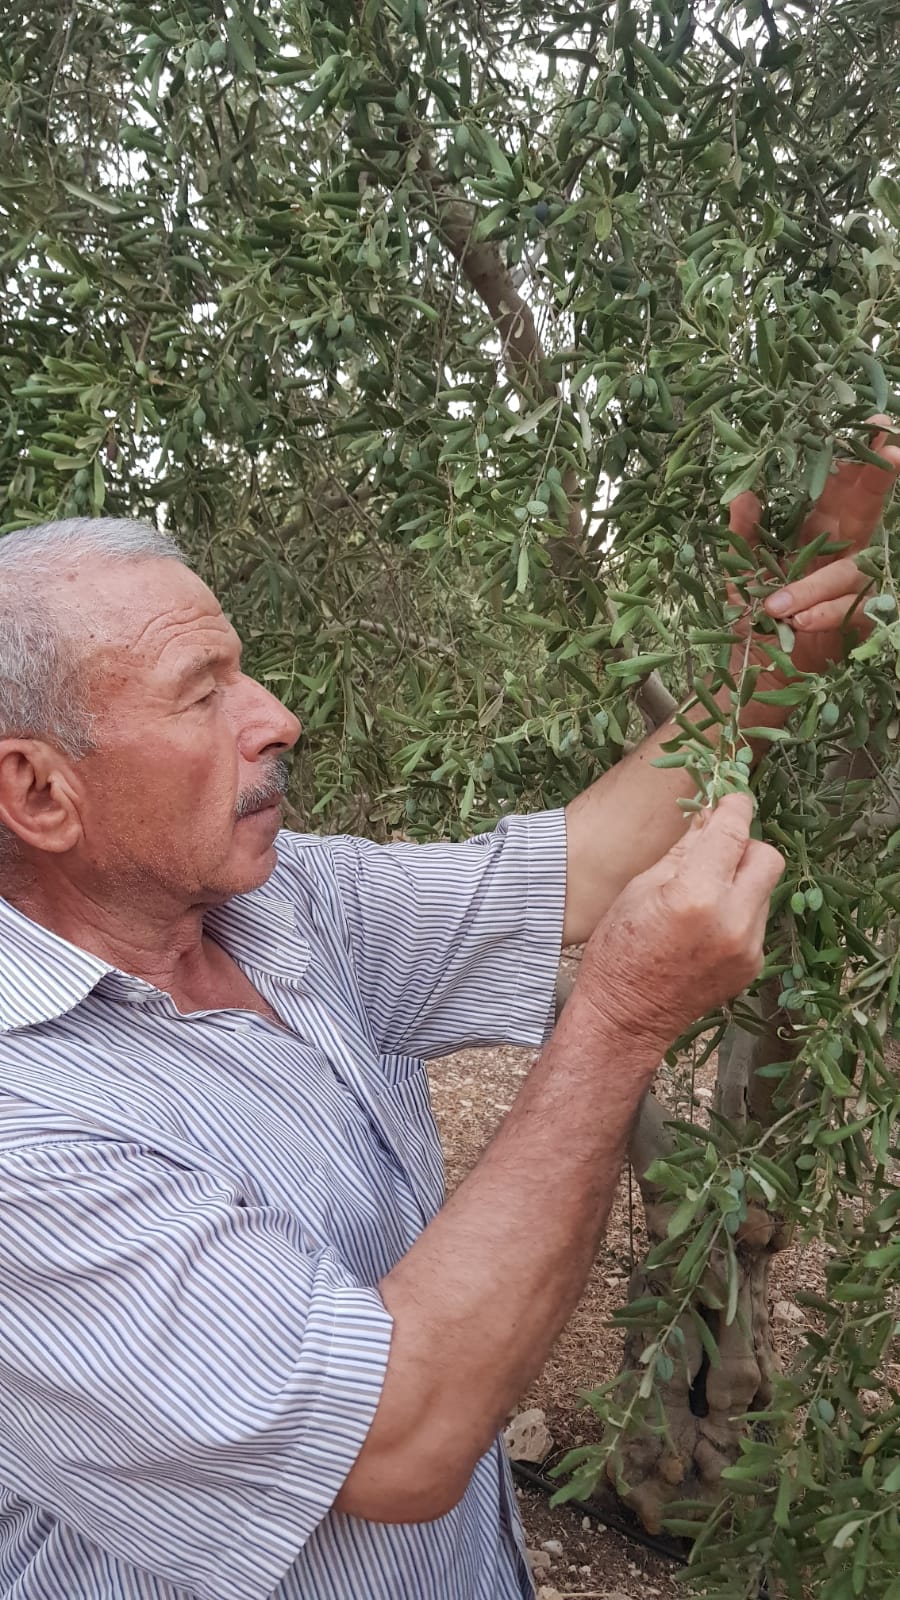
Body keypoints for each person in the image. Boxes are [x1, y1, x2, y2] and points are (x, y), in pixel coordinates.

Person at [0, 429, 895, 1600]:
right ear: (38, 790)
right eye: (203, 694)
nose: (275, 718)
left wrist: (765, 664)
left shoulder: (281, 903)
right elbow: (400, 1435)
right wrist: (622, 1020)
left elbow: (583, 863)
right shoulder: (27, 1131)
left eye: (244, 672)